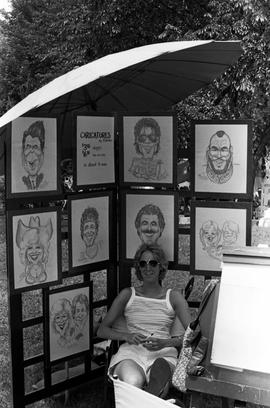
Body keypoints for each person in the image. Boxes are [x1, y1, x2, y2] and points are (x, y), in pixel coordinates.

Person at [97, 243, 191, 399]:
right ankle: (155, 399)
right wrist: (127, 336)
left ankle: (151, 395)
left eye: (153, 263)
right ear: (138, 268)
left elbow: (193, 336)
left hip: (163, 354)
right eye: (143, 263)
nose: (148, 268)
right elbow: (102, 330)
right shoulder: (127, 295)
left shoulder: (173, 297)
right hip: (132, 352)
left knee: (159, 375)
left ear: (161, 267)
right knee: (133, 381)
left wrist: (165, 343)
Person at [21, 121, 47, 190]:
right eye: (28, 146)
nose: (31, 151)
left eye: (35, 147)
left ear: (42, 151)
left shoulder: (46, 182)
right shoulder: (21, 183)